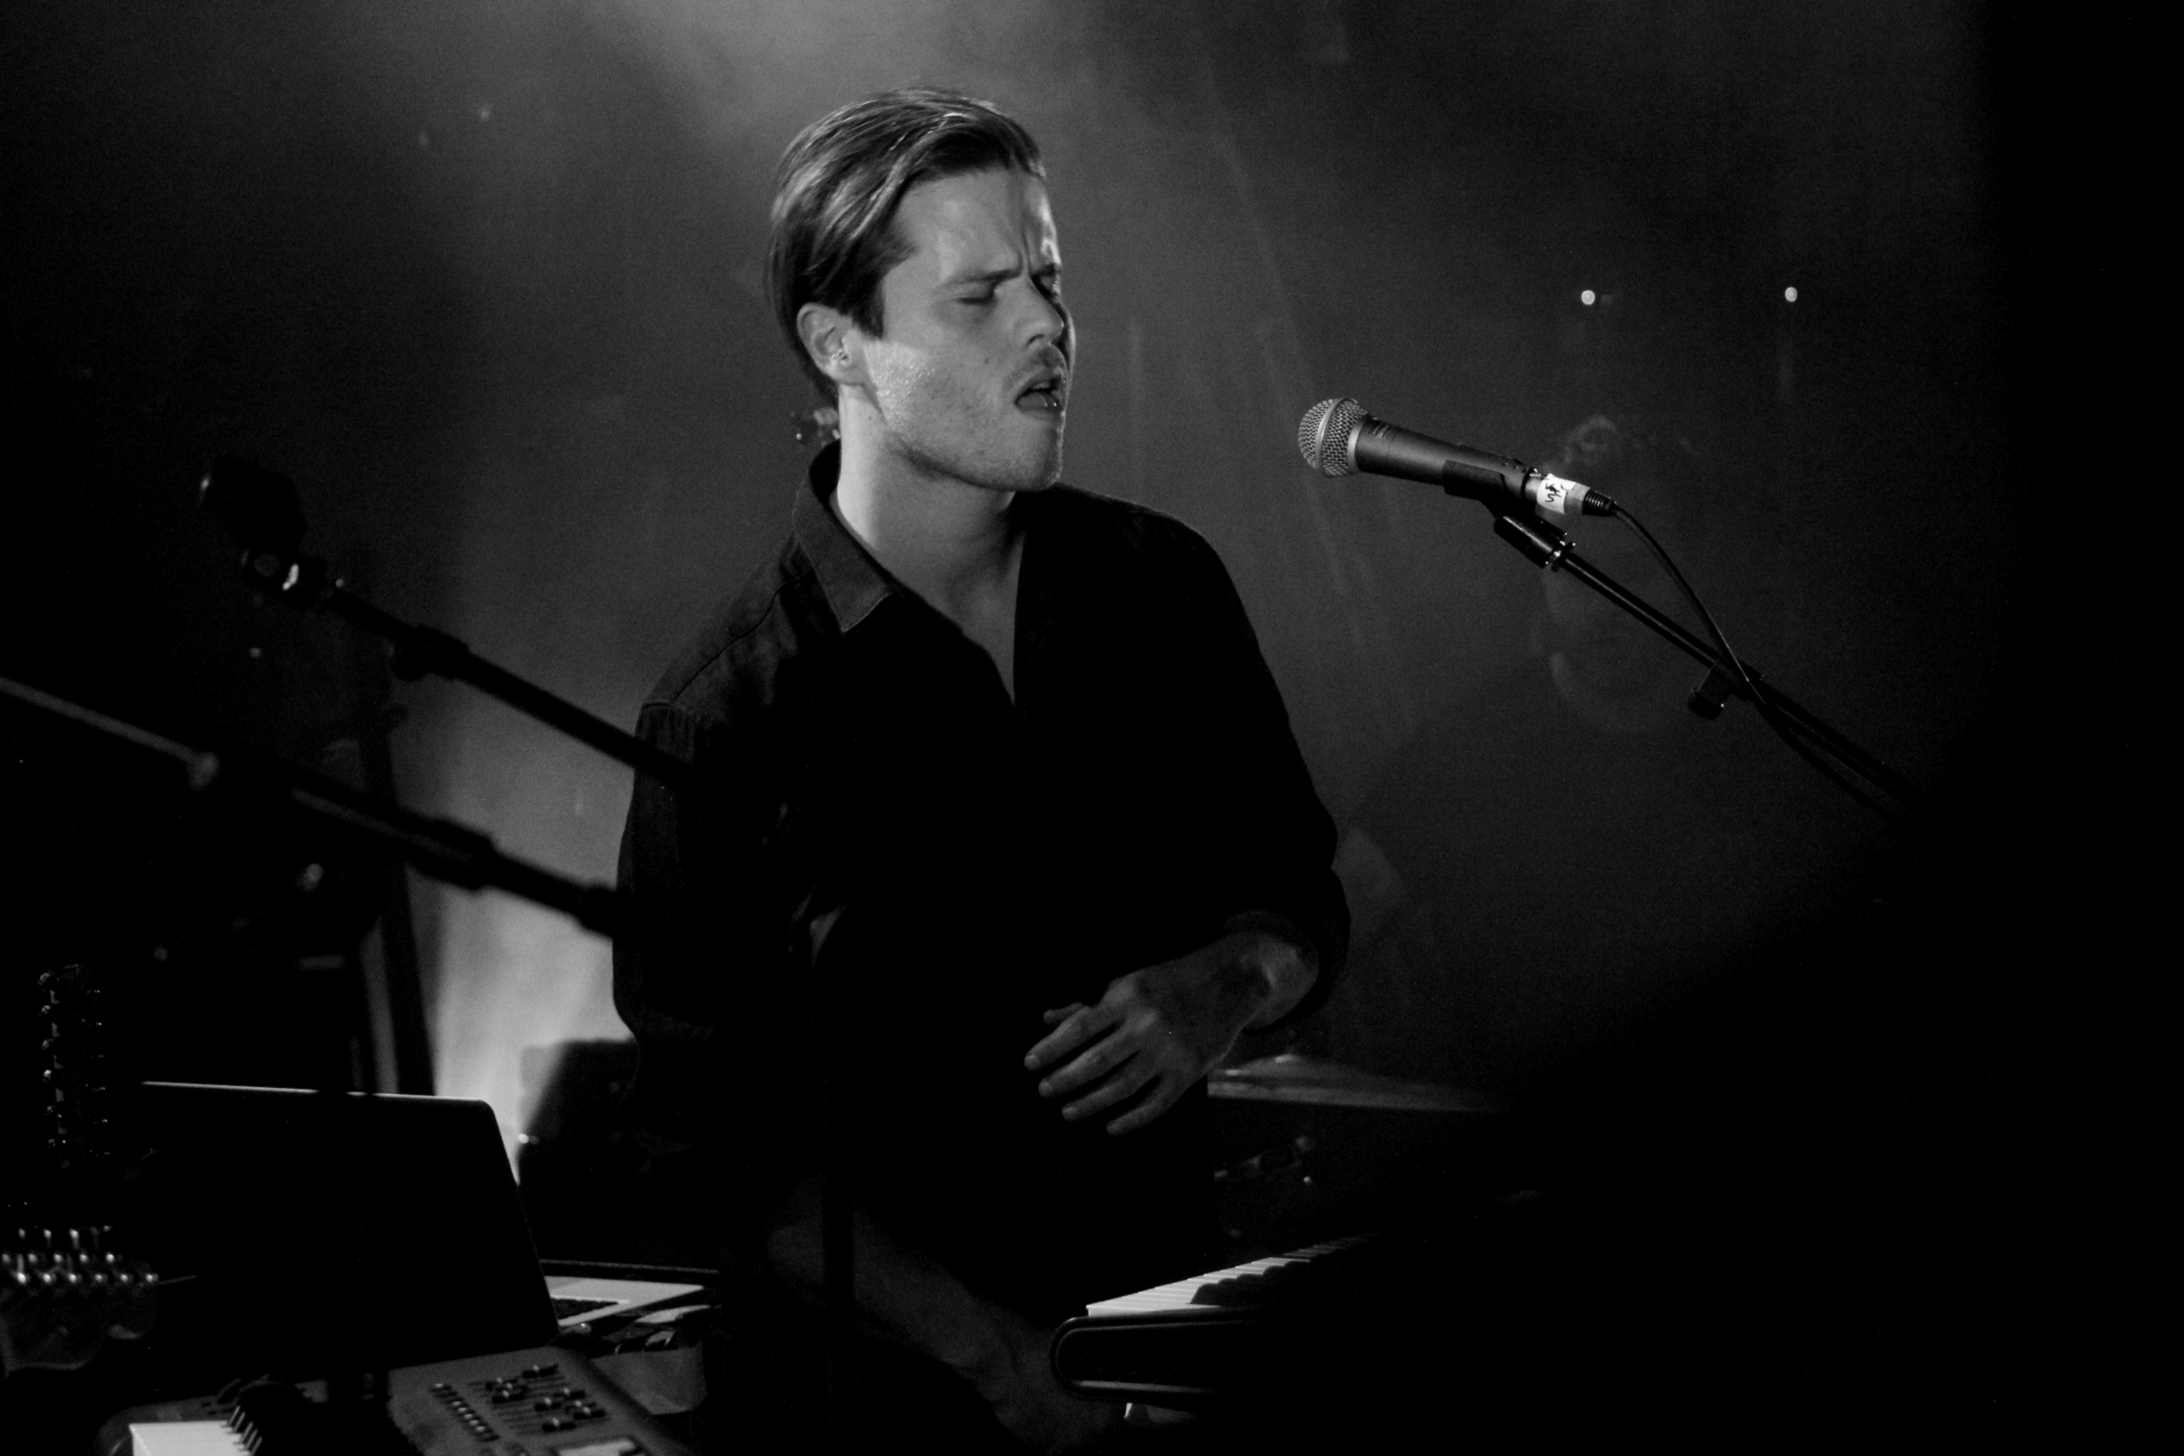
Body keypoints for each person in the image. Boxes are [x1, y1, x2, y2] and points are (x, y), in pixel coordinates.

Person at [613, 88, 1347, 1449]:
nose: (1047, 327)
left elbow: (1301, 894)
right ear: (839, 342)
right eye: (980, 295)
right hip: (888, 1424)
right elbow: (717, 1152)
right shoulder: (729, 715)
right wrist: (1003, 1362)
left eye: (1049, 281)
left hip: (1182, 1371)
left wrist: (1230, 980)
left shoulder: (1163, 587)